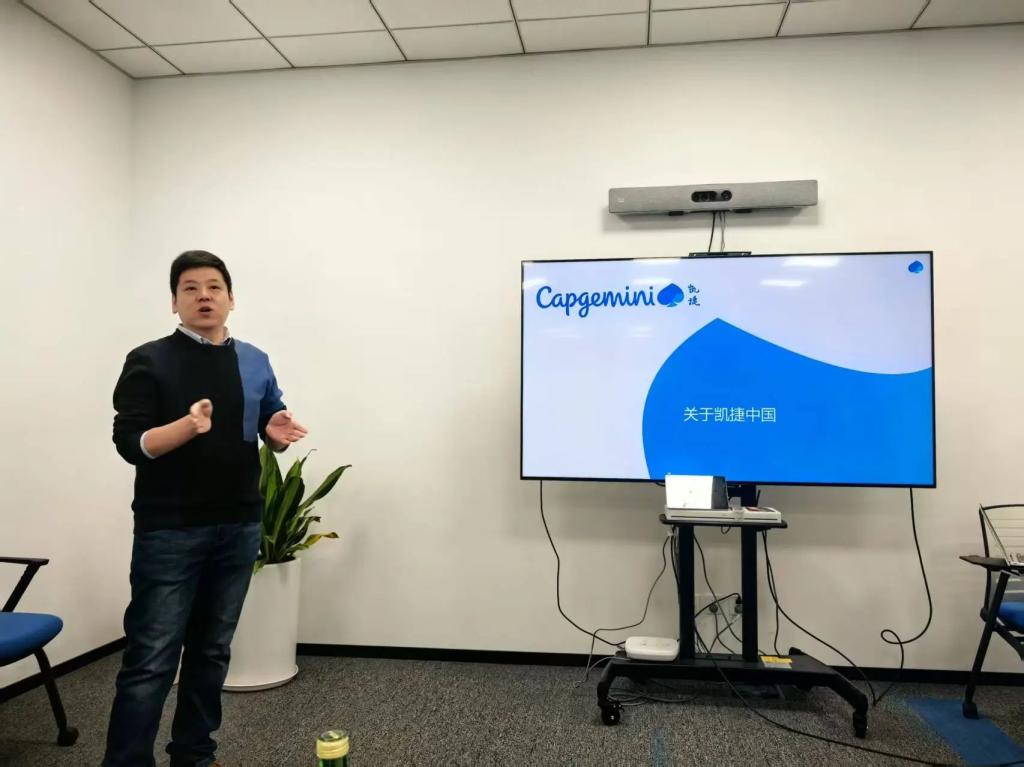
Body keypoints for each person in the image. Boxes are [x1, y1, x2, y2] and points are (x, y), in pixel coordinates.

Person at [103, 250, 308, 767]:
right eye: (190, 288)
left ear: (231, 299)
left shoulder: (255, 360)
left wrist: (276, 435)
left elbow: (270, 425)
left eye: (214, 287)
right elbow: (130, 442)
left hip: (238, 525)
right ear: (174, 302)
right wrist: (186, 427)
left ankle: (194, 754)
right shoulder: (149, 359)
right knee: (152, 658)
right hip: (169, 529)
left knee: (212, 651)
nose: (203, 296)